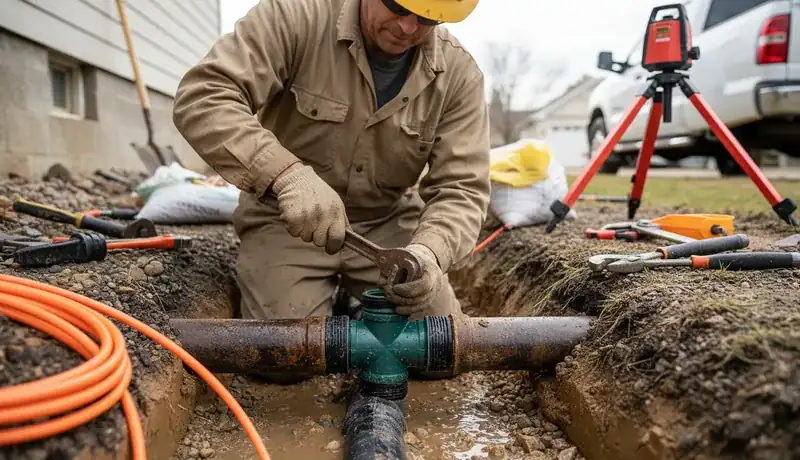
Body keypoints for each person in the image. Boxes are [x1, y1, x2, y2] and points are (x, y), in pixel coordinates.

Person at [173, 0, 490, 323]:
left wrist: (430, 252)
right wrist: (286, 175)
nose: (408, 27)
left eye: (427, 19)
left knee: (436, 337)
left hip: (386, 225)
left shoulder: (458, 75)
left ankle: (356, 304)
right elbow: (204, 97)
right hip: (286, 222)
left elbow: (462, 187)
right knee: (286, 346)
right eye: (397, 6)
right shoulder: (296, 17)